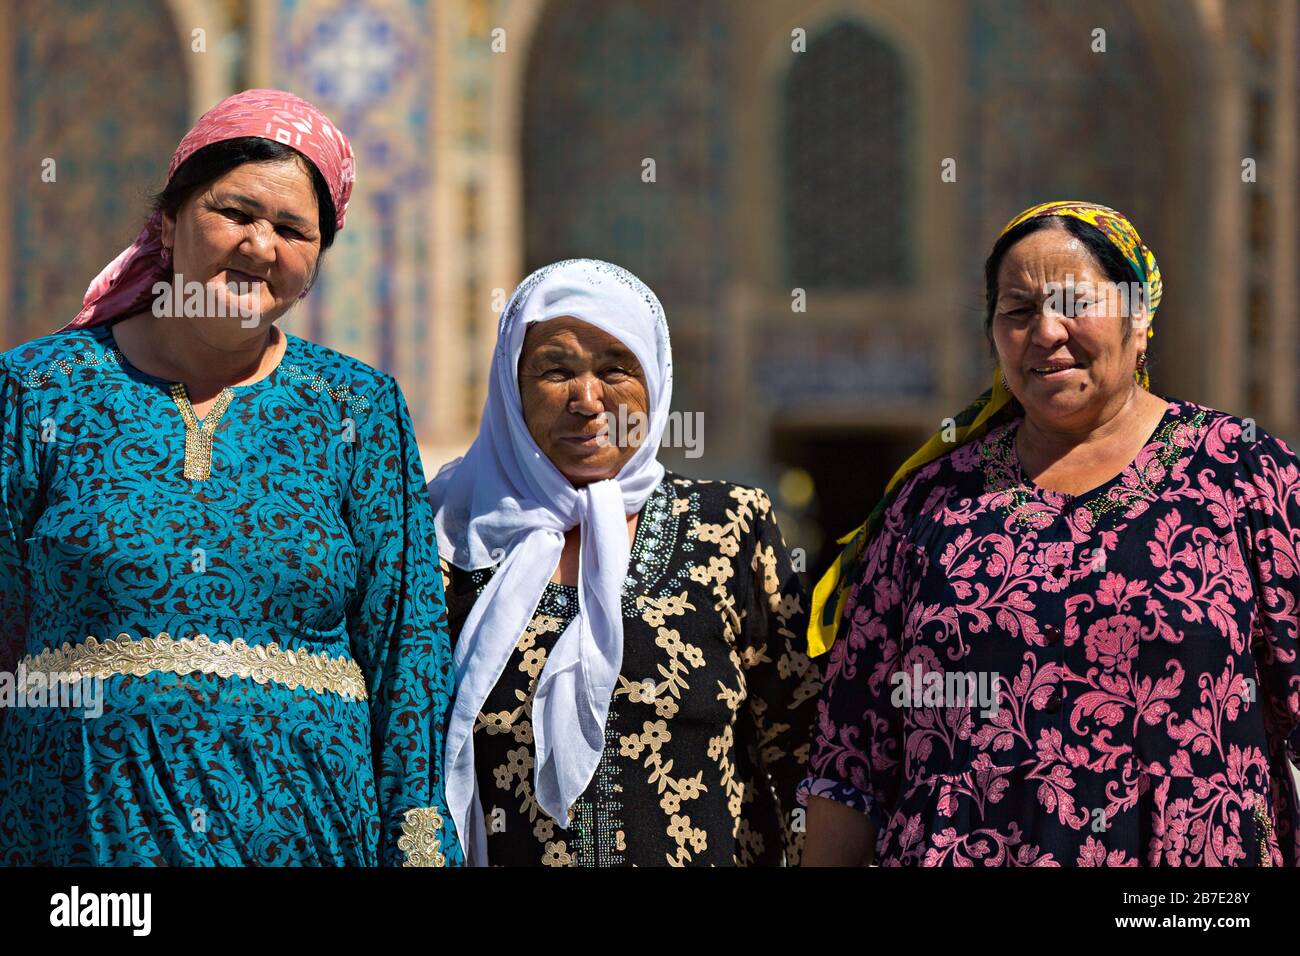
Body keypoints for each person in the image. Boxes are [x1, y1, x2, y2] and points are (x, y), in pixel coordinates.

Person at [0, 89, 460, 866]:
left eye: (292, 230)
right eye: (236, 213)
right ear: (169, 221)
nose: (260, 245)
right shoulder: (39, 390)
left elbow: (407, 651)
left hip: (311, 837)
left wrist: (417, 843)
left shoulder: (356, 409)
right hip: (81, 843)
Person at [801, 200, 1299, 866]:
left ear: (1139, 316)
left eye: (1074, 302)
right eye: (1018, 312)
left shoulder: (1241, 473)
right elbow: (851, 757)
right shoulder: (930, 504)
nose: (1046, 332)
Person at [429, 258, 820, 865]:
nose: (587, 400)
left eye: (616, 368)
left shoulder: (729, 527)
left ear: (655, 380)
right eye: (554, 371)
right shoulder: (447, 541)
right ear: (511, 387)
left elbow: (804, 745)